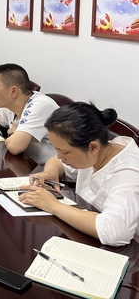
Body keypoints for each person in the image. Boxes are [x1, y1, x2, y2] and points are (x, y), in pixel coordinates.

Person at [19, 103, 139, 246]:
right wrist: (50, 172)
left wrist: (53, 206)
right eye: (57, 149)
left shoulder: (128, 172)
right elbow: (56, 162)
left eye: (64, 152)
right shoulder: (99, 151)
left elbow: (114, 232)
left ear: (93, 147)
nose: (60, 156)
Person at [0, 63, 59, 164]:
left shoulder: (40, 105)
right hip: (28, 163)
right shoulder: (13, 104)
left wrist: (11, 134)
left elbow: (15, 147)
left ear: (14, 91)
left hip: (53, 169)